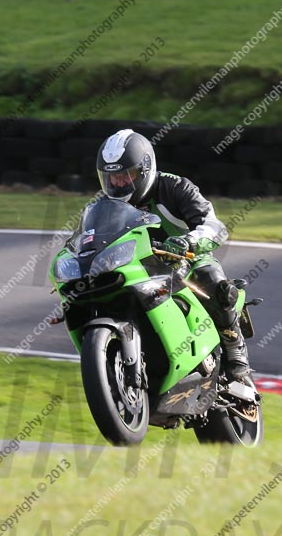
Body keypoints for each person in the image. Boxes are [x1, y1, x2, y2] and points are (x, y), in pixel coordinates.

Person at [96, 128, 251, 383]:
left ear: (145, 169)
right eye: (113, 177)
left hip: (186, 261)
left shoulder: (175, 187)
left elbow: (214, 226)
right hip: (136, 269)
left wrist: (188, 241)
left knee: (212, 281)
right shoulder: (103, 206)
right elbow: (86, 241)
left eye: (127, 175)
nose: (120, 183)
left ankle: (235, 349)